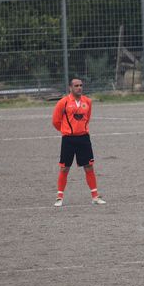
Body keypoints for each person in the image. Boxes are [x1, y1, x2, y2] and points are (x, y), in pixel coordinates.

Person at [51, 78, 105, 206]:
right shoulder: (63, 102)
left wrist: (81, 129)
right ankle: (59, 197)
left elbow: (87, 118)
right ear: (70, 88)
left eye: (81, 85)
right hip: (68, 139)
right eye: (76, 86)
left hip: (84, 138)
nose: (79, 88)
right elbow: (56, 121)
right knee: (64, 168)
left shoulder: (88, 101)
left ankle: (95, 197)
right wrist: (66, 130)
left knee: (89, 166)